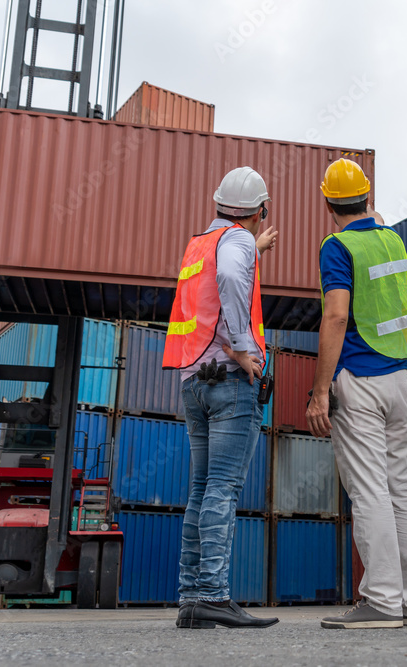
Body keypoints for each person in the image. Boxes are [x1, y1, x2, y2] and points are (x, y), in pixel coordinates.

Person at [305, 158, 407, 630]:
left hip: (359, 380)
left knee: (369, 491)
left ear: (327, 203)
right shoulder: (392, 239)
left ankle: (380, 601)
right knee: (402, 489)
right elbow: (376, 226)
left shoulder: (336, 247)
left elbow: (336, 316)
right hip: (401, 380)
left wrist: (321, 390)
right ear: (367, 197)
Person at [162, 166, 280, 630]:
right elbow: (232, 277)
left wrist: (256, 249)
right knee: (224, 489)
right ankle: (214, 593)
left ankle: (191, 598)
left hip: (194, 381)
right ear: (259, 211)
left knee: (199, 489)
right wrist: (244, 350)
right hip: (230, 380)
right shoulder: (239, 243)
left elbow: (218, 278)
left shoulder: (200, 244)